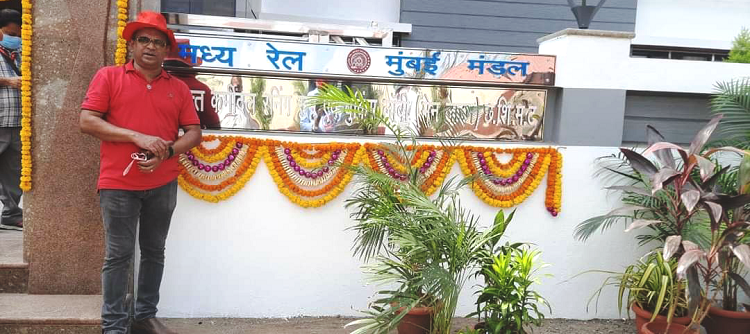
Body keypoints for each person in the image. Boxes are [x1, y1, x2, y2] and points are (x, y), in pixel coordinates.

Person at [79, 11, 201, 334]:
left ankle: (145, 316)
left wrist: (168, 152)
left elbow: (194, 132)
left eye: (158, 42)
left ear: (165, 50)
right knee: (118, 255)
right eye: (144, 40)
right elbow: (87, 121)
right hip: (118, 183)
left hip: (162, 182)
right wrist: (136, 136)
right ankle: (115, 324)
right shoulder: (109, 77)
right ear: (131, 44)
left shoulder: (179, 88)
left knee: (154, 251)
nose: (150, 47)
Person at [163, 39, 220, 129]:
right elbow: (213, 125)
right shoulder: (202, 89)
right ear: (190, 65)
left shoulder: (156, 85)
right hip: (194, 141)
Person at [0, 9, 23, 231]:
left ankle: (11, 213)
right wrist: (8, 81)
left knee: (13, 172)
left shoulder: (23, 51)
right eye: (10, 33)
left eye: (17, 34)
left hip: (17, 120)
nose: (15, 38)